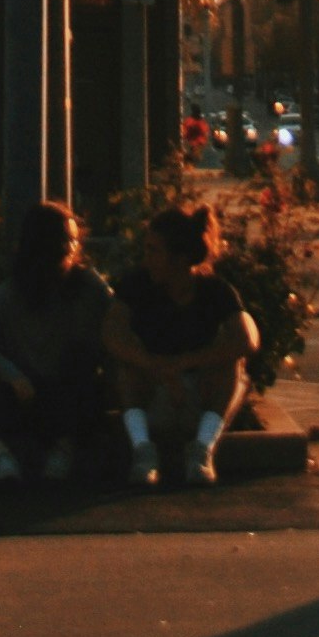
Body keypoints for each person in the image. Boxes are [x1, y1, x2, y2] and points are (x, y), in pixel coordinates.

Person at [102, 200, 257, 488]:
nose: (146, 258)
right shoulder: (136, 285)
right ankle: (143, 452)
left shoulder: (215, 291)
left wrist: (185, 364)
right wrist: (157, 367)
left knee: (234, 366)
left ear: (180, 257)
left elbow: (248, 339)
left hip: (198, 396)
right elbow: (112, 334)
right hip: (153, 393)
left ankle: (202, 450)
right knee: (124, 366)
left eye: (154, 251)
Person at [0, 200, 112, 487]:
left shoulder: (88, 285)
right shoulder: (12, 291)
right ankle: (3, 454)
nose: (72, 248)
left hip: (65, 389)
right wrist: (13, 375)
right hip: (23, 391)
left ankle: (63, 449)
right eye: (64, 240)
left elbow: (118, 318)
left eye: (74, 240)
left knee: (82, 363)